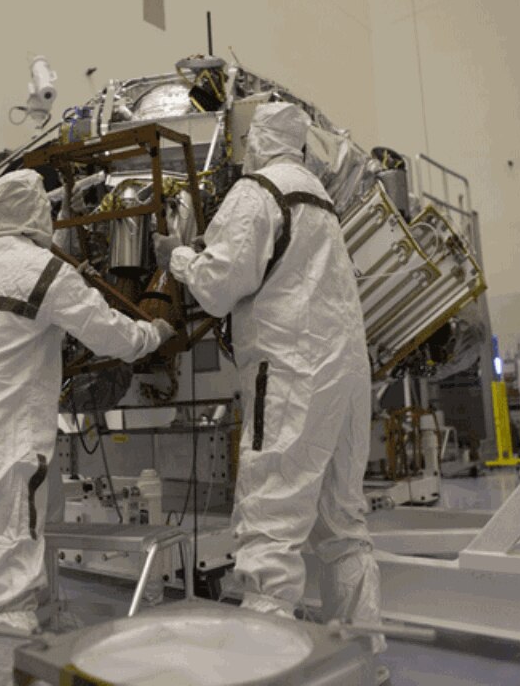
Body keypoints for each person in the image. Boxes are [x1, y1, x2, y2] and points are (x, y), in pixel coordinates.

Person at [0, 169, 174, 686]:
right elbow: (111, 336)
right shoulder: (42, 270)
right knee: (9, 593)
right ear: (39, 211)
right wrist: (155, 332)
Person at [154, 103, 386, 654]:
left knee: (270, 529)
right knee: (344, 528)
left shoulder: (257, 191)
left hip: (292, 375)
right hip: (347, 375)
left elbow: (218, 284)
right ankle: (365, 661)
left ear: (254, 140)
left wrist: (177, 256)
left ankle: (270, 664)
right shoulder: (319, 196)